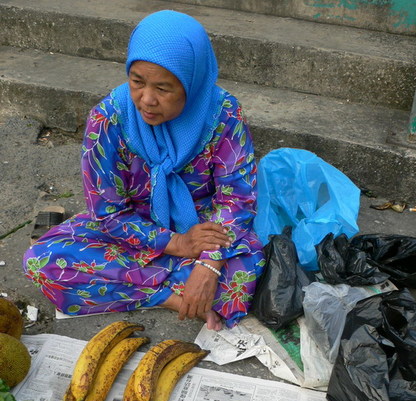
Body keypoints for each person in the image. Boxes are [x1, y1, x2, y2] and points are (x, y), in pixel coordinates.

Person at [23, 10, 265, 331]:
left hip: (205, 230)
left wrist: (208, 264)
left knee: (245, 270)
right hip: (133, 231)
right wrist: (178, 244)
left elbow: (237, 200)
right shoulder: (108, 120)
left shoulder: (223, 115)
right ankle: (171, 298)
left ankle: (161, 287)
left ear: (192, 84)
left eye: (163, 88)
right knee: (42, 260)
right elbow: (107, 214)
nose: (146, 100)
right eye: (137, 82)